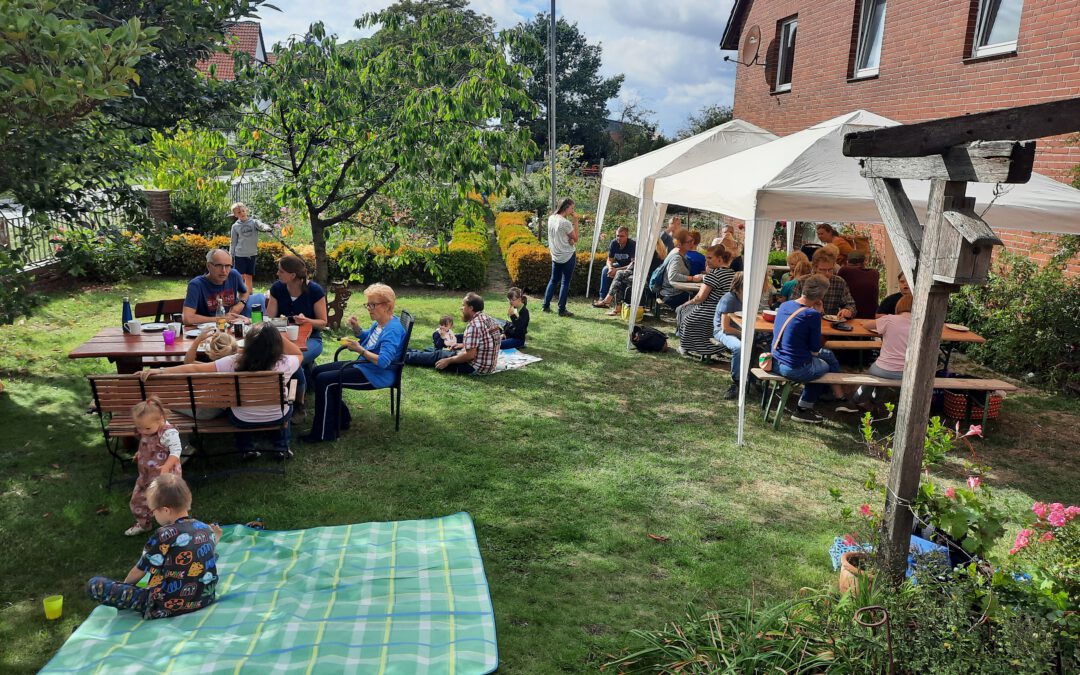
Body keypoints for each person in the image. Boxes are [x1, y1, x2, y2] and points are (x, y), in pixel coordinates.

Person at [142, 323, 301, 458]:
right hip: (278, 416)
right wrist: (275, 334)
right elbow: (298, 353)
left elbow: (195, 368)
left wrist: (162, 371)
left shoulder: (232, 362)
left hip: (242, 420)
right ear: (277, 344)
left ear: (249, 344)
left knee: (236, 405)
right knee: (287, 402)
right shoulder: (287, 362)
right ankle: (282, 447)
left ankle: (247, 448)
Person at [87, 474, 222, 619]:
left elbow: (139, 571)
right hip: (203, 599)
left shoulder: (164, 535)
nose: (153, 516)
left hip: (163, 604)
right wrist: (215, 539)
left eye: (153, 511)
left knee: (95, 585)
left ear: (165, 510)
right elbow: (203, 554)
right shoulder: (206, 529)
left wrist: (124, 587)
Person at [304, 283, 406, 443]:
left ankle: (323, 433)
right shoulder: (381, 322)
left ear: (387, 305)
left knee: (325, 380)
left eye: (373, 305)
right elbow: (370, 339)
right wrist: (358, 329)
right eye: (368, 304)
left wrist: (360, 350)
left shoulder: (392, 330)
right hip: (364, 365)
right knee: (317, 372)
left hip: (375, 374)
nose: (369, 308)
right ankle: (342, 418)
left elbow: (384, 362)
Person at [772, 274, 846, 424]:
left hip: (775, 361)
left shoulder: (785, 305)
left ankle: (839, 397)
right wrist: (819, 313)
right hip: (794, 367)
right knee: (825, 366)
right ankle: (805, 408)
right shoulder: (811, 314)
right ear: (821, 295)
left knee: (827, 356)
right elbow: (815, 347)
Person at [266, 255, 327, 411]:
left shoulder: (314, 290)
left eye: (281, 271)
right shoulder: (277, 289)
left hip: (310, 339)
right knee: (285, 359)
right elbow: (270, 318)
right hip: (283, 339)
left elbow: (322, 323)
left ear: (292, 275)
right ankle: (275, 397)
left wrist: (307, 321)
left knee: (293, 360)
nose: (277, 274)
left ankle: (298, 404)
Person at [841, 295, 914, 413]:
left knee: (875, 374)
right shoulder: (922, 323)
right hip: (907, 372)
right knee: (883, 376)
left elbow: (866, 325)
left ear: (899, 306)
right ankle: (874, 402)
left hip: (883, 369)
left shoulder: (890, 319)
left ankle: (855, 401)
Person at [124, 396, 183, 536]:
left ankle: (175, 526)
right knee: (138, 499)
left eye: (147, 428)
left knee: (169, 502)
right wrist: (140, 453)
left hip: (165, 476)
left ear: (161, 419)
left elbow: (176, 451)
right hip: (146, 475)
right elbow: (146, 443)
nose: (143, 431)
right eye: (139, 428)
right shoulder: (148, 428)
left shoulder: (168, 433)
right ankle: (144, 524)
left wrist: (166, 467)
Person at [406, 292, 501, 374]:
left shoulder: (474, 325)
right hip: (488, 366)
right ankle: (407, 351)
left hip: (474, 367)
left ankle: (403, 356)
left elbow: (469, 356)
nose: (461, 308)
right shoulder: (488, 318)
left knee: (438, 356)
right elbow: (483, 343)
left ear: (471, 308)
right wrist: (461, 345)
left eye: (464, 305)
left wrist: (448, 360)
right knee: (440, 353)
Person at [713, 272, 768, 400]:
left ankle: (754, 378)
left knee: (764, 345)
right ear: (739, 287)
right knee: (739, 347)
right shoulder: (729, 299)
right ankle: (736, 381)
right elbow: (725, 328)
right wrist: (745, 334)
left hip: (741, 330)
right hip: (723, 331)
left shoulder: (749, 298)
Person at [676, 244, 735, 357]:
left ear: (719, 259)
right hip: (725, 313)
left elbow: (699, 298)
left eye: (709, 258)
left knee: (682, 310)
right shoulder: (732, 273)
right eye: (706, 258)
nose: (707, 261)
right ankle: (713, 347)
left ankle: (685, 346)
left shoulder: (714, 275)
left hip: (710, 311)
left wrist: (686, 303)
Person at [597, 239, 667, 317]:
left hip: (646, 282)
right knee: (619, 276)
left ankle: (611, 303)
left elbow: (635, 267)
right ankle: (612, 304)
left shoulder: (650, 253)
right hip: (649, 279)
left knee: (619, 278)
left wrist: (617, 271)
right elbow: (635, 267)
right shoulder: (659, 252)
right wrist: (619, 272)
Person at [182, 249, 249, 325]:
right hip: (208, 330)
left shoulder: (233, 275)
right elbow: (187, 318)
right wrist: (221, 319)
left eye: (227, 266)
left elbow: (245, 292)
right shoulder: (196, 285)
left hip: (232, 327)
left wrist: (241, 303)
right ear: (209, 266)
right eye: (219, 265)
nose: (224, 271)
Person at [791, 248, 857, 319]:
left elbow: (851, 305)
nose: (827, 273)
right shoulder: (802, 281)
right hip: (807, 321)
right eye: (823, 270)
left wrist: (848, 310)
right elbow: (793, 306)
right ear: (814, 267)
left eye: (830, 269)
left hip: (831, 325)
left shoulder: (839, 282)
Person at [542, 198, 580, 317]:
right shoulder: (565, 223)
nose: (572, 210)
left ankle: (545, 305)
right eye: (572, 208)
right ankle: (561, 309)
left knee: (553, 280)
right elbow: (576, 238)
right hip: (567, 255)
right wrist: (576, 221)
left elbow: (561, 236)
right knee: (565, 282)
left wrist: (570, 240)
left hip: (555, 255)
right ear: (566, 207)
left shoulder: (551, 218)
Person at [229, 202, 273, 293]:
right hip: (240, 254)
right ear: (235, 214)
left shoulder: (254, 222)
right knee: (240, 275)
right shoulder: (235, 226)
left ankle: (249, 294)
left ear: (246, 210)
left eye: (243, 211)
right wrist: (230, 255)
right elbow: (233, 242)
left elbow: (262, 225)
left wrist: (267, 228)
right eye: (238, 212)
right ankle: (240, 293)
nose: (241, 213)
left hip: (251, 253)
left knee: (249, 276)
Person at [660, 230, 704, 309]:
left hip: (673, 292)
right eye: (689, 242)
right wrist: (692, 278)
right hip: (672, 295)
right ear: (680, 244)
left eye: (692, 240)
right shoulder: (677, 258)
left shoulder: (680, 254)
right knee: (701, 296)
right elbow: (673, 276)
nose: (692, 243)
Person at [593, 226, 635, 306]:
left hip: (630, 268)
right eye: (617, 236)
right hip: (620, 265)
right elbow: (609, 260)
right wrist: (610, 268)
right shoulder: (614, 243)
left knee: (618, 272)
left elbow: (633, 264)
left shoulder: (632, 244)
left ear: (627, 236)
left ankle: (609, 300)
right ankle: (602, 298)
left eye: (622, 236)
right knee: (605, 269)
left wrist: (617, 270)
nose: (619, 238)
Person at [837, 251, 880, 318]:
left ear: (847, 262)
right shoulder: (875, 273)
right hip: (871, 316)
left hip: (850, 315)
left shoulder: (844, 270)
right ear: (864, 262)